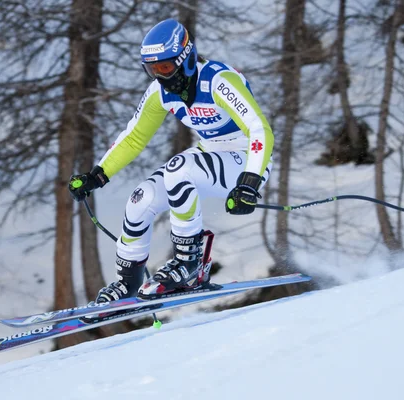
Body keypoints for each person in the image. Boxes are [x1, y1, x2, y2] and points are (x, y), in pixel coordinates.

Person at [69, 19, 274, 302]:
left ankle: (189, 264)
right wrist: (97, 175)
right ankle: (128, 286)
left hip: (247, 157)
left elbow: (259, 129)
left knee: (180, 169)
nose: (161, 76)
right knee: (141, 199)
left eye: (165, 67)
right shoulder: (160, 92)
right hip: (210, 153)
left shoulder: (218, 80)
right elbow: (133, 137)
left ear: (185, 58)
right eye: (152, 69)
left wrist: (250, 182)